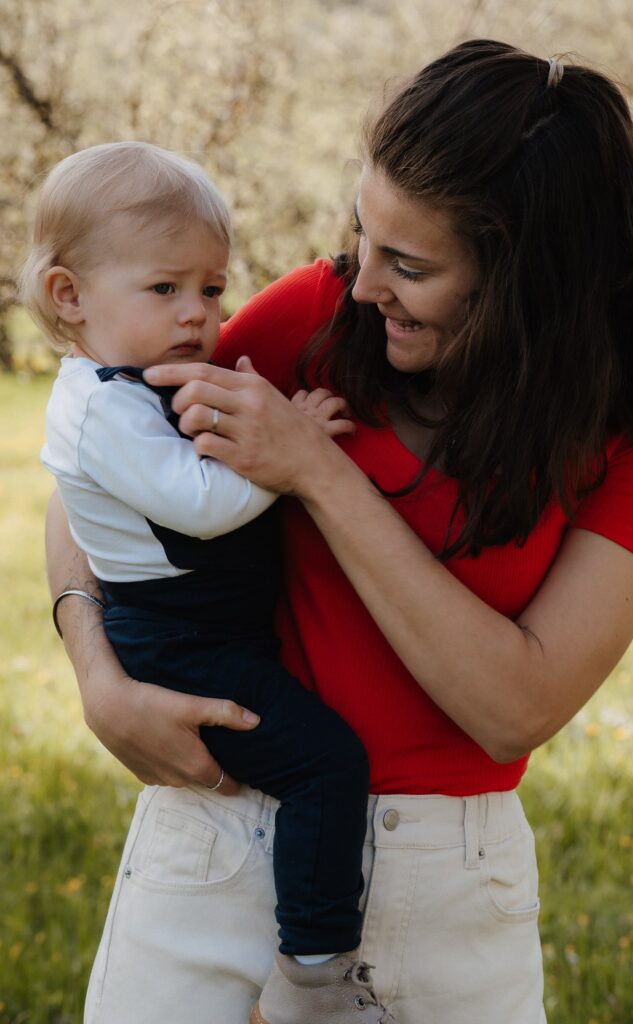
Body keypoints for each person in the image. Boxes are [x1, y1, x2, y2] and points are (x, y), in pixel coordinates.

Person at [45, 40, 633, 1024]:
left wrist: (317, 472)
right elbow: (96, 463)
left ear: (527, 280)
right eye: (364, 237)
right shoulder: (315, 317)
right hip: (225, 838)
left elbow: (514, 707)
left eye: (409, 265)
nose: (363, 285)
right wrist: (98, 674)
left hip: (453, 888)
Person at [24, 141, 397, 1024]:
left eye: (213, 288)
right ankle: (314, 960)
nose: (197, 312)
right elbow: (198, 505)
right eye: (165, 288)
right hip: (179, 645)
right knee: (325, 764)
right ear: (70, 296)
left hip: (206, 630)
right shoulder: (99, 406)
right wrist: (289, 451)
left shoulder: (134, 381)